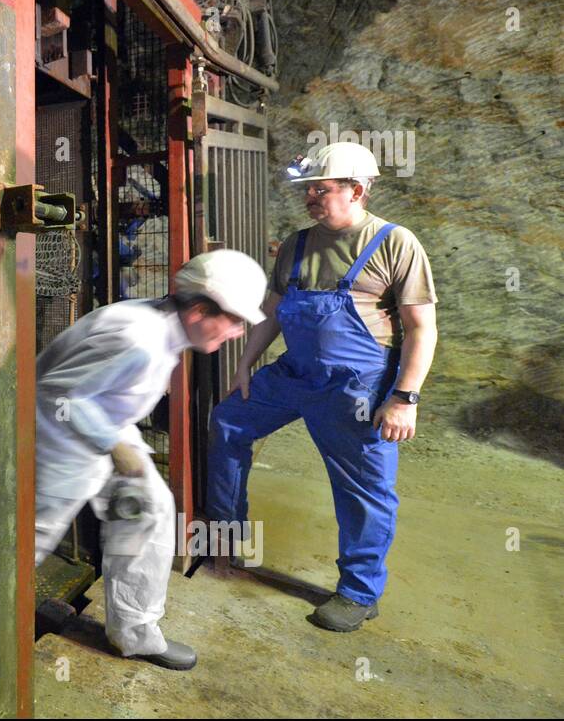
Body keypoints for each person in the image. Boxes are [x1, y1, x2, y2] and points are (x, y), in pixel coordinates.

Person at [206, 141, 438, 632]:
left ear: (357, 190)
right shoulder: (296, 243)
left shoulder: (396, 243)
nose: (310, 197)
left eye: (321, 188)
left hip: (358, 387)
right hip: (296, 373)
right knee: (229, 419)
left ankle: (358, 592)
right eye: (308, 189)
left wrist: (404, 398)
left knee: (363, 489)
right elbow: (274, 311)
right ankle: (224, 537)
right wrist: (246, 361)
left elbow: (421, 328)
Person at [35, 249, 268, 669]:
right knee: (24, 541)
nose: (236, 332)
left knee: (150, 510)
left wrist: (116, 442)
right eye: (234, 320)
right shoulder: (137, 339)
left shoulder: (159, 326)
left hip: (99, 428)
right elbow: (57, 395)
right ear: (198, 310)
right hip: (55, 444)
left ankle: (135, 633)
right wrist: (114, 444)